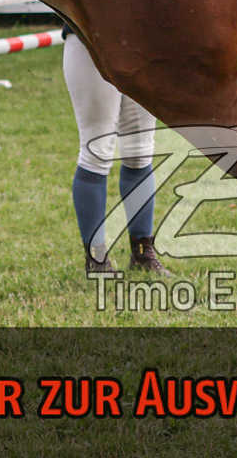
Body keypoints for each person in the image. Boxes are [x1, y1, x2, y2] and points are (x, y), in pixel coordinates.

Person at [61, 25, 170, 278]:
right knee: (97, 150)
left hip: (143, 41)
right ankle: (96, 258)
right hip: (92, 38)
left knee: (140, 152)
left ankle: (142, 252)